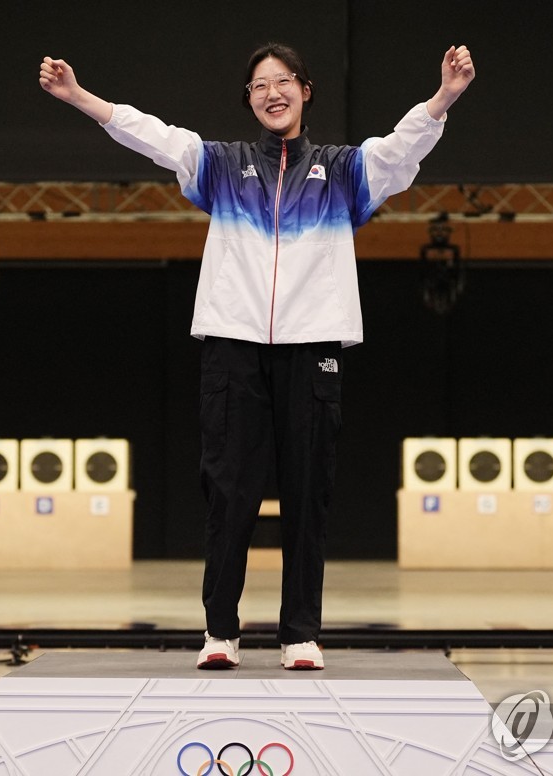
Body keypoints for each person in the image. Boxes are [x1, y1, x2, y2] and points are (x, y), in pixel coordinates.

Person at [40, 42, 474, 670]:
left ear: (305, 90)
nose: (272, 93)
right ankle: (221, 630)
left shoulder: (345, 169)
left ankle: (300, 633)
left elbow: (401, 147)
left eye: (283, 82)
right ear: (248, 99)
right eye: (259, 85)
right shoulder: (220, 165)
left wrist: (445, 97)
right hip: (233, 345)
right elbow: (153, 136)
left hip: (314, 345)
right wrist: (81, 98)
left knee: (308, 492)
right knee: (228, 492)